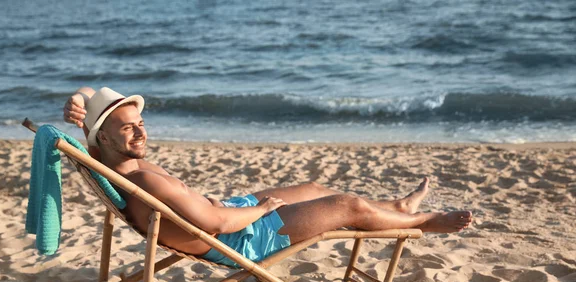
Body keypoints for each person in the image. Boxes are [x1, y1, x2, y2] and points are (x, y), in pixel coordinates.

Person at [63, 87, 472, 267]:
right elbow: (216, 224)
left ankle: (398, 208)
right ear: (104, 135)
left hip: (230, 214)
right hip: (239, 238)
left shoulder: (103, 156)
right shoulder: (144, 182)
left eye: (141, 122)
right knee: (350, 206)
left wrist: (78, 101)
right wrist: (262, 209)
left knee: (314, 188)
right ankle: (423, 223)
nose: (141, 132)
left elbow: (86, 95)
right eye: (129, 127)